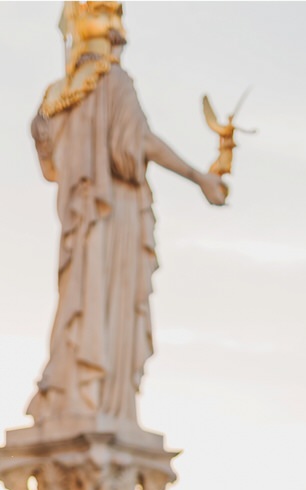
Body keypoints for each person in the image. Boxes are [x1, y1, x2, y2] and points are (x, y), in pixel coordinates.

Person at [26, 1, 227, 427]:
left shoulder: (53, 98)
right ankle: (95, 401)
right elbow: (135, 146)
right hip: (112, 213)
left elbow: (50, 165)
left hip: (80, 223)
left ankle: (71, 393)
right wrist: (199, 177)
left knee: (81, 300)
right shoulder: (112, 81)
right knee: (104, 303)